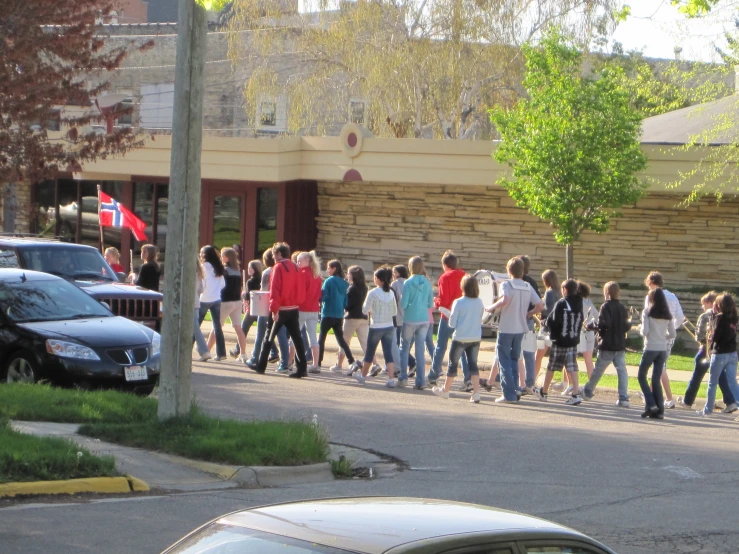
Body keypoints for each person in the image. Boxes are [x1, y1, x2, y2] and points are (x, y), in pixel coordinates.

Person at [485, 257, 543, 403]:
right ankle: (515, 389)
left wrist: (491, 307)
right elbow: (540, 305)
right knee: (514, 359)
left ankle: (508, 394)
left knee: (503, 361)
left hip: (506, 328)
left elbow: (505, 300)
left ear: (508, 270)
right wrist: (530, 313)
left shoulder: (506, 284)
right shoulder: (527, 286)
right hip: (521, 328)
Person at [678, 291, 737, 412]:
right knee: (727, 380)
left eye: (704, 304)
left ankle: (693, 403)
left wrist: (707, 336)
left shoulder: (711, 316)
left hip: (713, 351)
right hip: (730, 352)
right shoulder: (733, 316)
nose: (702, 307)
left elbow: (704, 337)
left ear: (713, 303)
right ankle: (730, 402)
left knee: (705, 379)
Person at [255, 242, 309, 378]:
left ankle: (261, 366)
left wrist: (274, 309)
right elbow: (301, 289)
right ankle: (302, 368)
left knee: (269, 336)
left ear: (279, 254)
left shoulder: (278, 267)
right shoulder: (296, 267)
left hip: (281, 308)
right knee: (297, 338)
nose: (273, 257)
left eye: (274, 254)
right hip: (294, 307)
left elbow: (275, 290)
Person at [432, 274, 485, 403]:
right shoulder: (479, 302)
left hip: (460, 337)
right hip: (475, 337)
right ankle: (476, 393)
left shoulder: (458, 302)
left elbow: (452, 323)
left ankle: (445, 390)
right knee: (473, 365)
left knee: (453, 364)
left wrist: (449, 315)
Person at [581, 282, 631, 406]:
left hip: (607, 344)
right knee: (622, 371)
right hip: (619, 344)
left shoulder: (605, 306)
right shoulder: (621, 307)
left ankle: (588, 391)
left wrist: (591, 326)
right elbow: (626, 325)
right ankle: (623, 397)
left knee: (598, 369)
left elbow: (604, 324)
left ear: (607, 293)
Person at [535, 279, 584, 406]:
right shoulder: (579, 302)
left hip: (560, 340)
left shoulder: (562, 303)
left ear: (565, 290)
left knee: (552, 366)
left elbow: (553, 320)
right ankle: (576, 393)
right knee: (572, 366)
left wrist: (545, 323)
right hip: (573, 340)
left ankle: (544, 392)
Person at [643, 271, 684, 409]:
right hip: (668, 335)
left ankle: (668, 397)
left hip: (654, 336)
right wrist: (671, 329)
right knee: (659, 365)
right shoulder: (672, 296)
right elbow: (680, 317)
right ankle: (650, 393)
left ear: (651, 282)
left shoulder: (651, 296)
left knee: (660, 367)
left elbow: (647, 317)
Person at [428, 250, 469, 388]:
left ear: (445, 264)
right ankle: (467, 378)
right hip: (462, 316)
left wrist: (437, 302)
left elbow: (444, 300)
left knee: (441, 346)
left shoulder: (444, 277)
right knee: (462, 347)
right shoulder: (464, 275)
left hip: (447, 315)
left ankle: (434, 374)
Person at [353, 267, 398, 388]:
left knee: (370, 352)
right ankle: (391, 379)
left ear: (378, 279)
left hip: (376, 326)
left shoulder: (373, 293)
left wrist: (372, 311)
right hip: (389, 325)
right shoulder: (391, 292)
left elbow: (364, 310)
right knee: (388, 353)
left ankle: (363, 377)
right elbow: (394, 311)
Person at [245, 250, 288, 372]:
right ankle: (284, 363)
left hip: (266, 306)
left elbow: (264, 292)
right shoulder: (283, 271)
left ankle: (254, 358)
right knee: (281, 336)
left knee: (260, 335)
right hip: (281, 305)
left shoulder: (267, 272)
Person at [697, 292, 739, 416]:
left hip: (720, 353)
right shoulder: (734, 317)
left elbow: (714, 337)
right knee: (732, 382)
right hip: (732, 353)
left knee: (712, 383)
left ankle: (707, 410)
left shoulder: (719, 318)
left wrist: (713, 319)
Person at [637, 287, 676, 419]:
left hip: (650, 347)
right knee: (655, 379)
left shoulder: (647, 312)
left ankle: (651, 403)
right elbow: (672, 334)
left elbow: (645, 332)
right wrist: (662, 337)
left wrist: (640, 330)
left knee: (641, 376)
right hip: (662, 349)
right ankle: (659, 411)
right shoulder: (667, 314)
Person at [399, 256, 435, 390]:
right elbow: (430, 303)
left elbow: (403, 303)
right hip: (424, 319)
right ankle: (420, 381)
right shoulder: (427, 282)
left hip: (410, 318)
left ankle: (403, 378)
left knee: (405, 347)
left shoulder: (408, 282)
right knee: (420, 350)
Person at [319, 260, 360, 372]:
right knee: (341, 340)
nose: (327, 270)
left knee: (321, 338)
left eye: (329, 268)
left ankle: (318, 362)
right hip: (339, 314)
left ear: (334, 269)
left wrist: (320, 299)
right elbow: (346, 301)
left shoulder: (329, 281)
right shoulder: (345, 283)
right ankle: (351, 360)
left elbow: (323, 296)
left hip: (327, 312)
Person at [212, 247, 247, 363]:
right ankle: (243, 353)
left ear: (227, 258)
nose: (221, 258)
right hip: (237, 301)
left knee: (217, 326)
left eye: (222, 256)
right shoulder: (237, 270)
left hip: (225, 301)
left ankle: (207, 349)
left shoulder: (224, 270)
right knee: (238, 327)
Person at [337, 266, 372, 374]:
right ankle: (373, 364)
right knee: (365, 343)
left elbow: (348, 305)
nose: (347, 275)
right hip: (363, 318)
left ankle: (339, 365)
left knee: (344, 342)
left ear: (353, 275)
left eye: (349, 273)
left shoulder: (352, 288)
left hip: (351, 317)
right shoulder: (365, 288)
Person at [517, 255, 541, 395]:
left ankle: (519, 381)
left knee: (515, 352)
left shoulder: (516, 282)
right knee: (529, 352)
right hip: (529, 319)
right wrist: (531, 313)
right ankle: (530, 382)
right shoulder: (532, 282)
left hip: (518, 318)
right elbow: (537, 302)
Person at [198, 245, 226, 361]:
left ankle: (189, 350)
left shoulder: (203, 267)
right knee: (217, 326)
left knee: (196, 324)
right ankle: (221, 353)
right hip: (216, 298)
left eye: (201, 253)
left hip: (204, 298)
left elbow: (202, 284)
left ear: (204, 255)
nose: (200, 255)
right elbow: (223, 284)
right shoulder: (218, 267)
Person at [296, 251, 322, 374]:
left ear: (306, 261)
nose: (298, 263)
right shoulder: (317, 275)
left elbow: (300, 293)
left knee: (294, 336)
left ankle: (289, 362)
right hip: (314, 308)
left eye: (299, 261)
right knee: (313, 338)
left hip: (302, 308)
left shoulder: (302, 274)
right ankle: (315, 364)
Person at [230, 260, 262, 358]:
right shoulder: (262, 279)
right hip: (261, 308)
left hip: (252, 309)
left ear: (255, 270)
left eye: (250, 268)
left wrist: (243, 294)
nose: (248, 269)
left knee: (243, 329)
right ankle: (274, 351)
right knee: (263, 330)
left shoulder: (250, 281)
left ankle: (237, 349)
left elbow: (248, 296)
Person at [535, 269, 560, 381]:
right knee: (553, 358)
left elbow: (549, 310)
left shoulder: (549, 292)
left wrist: (540, 306)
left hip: (546, 328)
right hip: (556, 328)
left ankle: (531, 379)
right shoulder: (558, 292)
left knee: (538, 356)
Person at [577, 281, 597, 383]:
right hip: (589, 332)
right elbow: (597, 316)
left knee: (571, 359)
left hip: (580, 332)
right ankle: (591, 384)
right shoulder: (589, 302)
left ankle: (570, 384)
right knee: (588, 360)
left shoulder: (577, 302)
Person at [193, 257, 210, 362]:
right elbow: (201, 289)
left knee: (195, 328)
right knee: (194, 328)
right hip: (196, 302)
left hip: (188, 303)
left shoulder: (187, 274)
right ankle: (201, 349)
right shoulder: (198, 274)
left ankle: (204, 351)